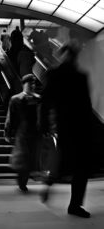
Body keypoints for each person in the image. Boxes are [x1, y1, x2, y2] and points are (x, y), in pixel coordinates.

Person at [40, 42, 94, 218]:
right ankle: (75, 205)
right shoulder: (80, 76)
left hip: (63, 125)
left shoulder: (53, 74)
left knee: (63, 161)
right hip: (80, 127)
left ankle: (49, 182)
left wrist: (44, 124)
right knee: (81, 168)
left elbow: (45, 101)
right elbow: (86, 106)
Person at [4, 74, 41, 192]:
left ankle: (23, 179)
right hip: (22, 133)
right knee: (23, 157)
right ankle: (22, 181)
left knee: (31, 158)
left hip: (35, 133)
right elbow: (10, 116)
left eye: (34, 83)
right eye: (30, 83)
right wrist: (8, 132)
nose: (33, 86)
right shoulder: (15, 99)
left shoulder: (38, 99)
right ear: (24, 84)